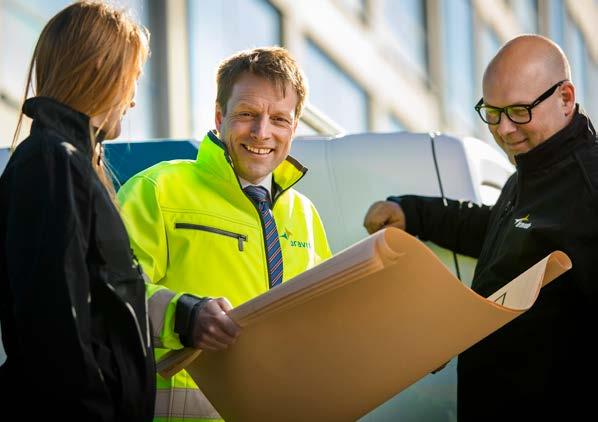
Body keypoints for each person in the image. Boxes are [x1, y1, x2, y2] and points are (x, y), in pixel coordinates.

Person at [364, 34, 597, 420]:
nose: (504, 129)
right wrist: (412, 213)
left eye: (520, 111)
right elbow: (499, 229)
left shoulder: (590, 187)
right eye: (492, 112)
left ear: (566, 98)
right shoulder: (530, 172)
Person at [117, 46, 332, 420]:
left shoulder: (307, 216)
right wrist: (184, 318)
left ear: (294, 127)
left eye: (279, 119)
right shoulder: (157, 189)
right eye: (248, 114)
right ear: (220, 116)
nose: (262, 132)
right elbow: (111, 297)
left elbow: (330, 318)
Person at [0, 1, 155, 419]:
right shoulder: (51, 160)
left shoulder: (66, 162)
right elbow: (53, 327)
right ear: (102, 67)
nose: (135, 99)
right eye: (135, 77)